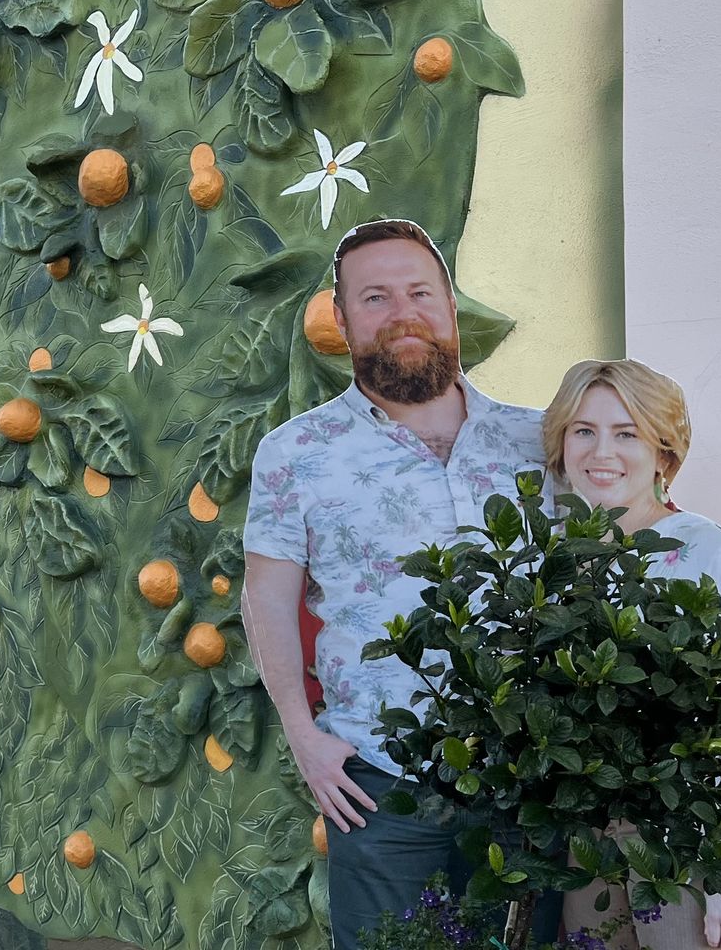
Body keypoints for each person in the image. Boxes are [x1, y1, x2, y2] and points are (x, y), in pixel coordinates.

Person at [240, 218, 561, 949]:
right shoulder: (295, 453)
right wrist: (303, 738)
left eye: (419, 291)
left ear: (450, 306)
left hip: (530, 774)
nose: (402, 312)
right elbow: (266, 599)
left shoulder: (539, 438)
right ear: (345, 319)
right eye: (375, 297)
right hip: (378, 783)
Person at [543, 359, 721, 950]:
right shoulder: (550, 565)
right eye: (583, 430)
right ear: (562, 445)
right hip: (587, 841)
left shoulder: (706, 553)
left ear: (664, 455)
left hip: (690, 841)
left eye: (628, 433)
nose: (602, 451)